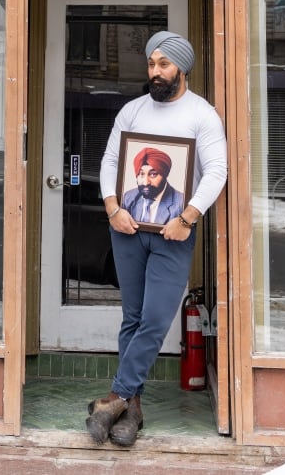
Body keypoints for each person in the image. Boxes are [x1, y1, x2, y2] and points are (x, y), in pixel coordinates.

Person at [86, 30, 228, 447]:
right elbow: (111, 160)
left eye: (164, 64)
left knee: (154, 318)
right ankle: (133, 411)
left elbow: (216, 170)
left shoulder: (202, 114)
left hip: (174, 232)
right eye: (151, 64)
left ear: (181, 67)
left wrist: (188, 216)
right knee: (132, 318)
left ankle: (113, 398)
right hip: (128, 230)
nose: (156, 71)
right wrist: (113, 207)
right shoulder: (131, 111)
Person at [121, 146, 186, 225]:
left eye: (153, 174)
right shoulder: (128, 197)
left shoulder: (182, 203)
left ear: (165, 175)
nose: (145, 182)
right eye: (141, 174)